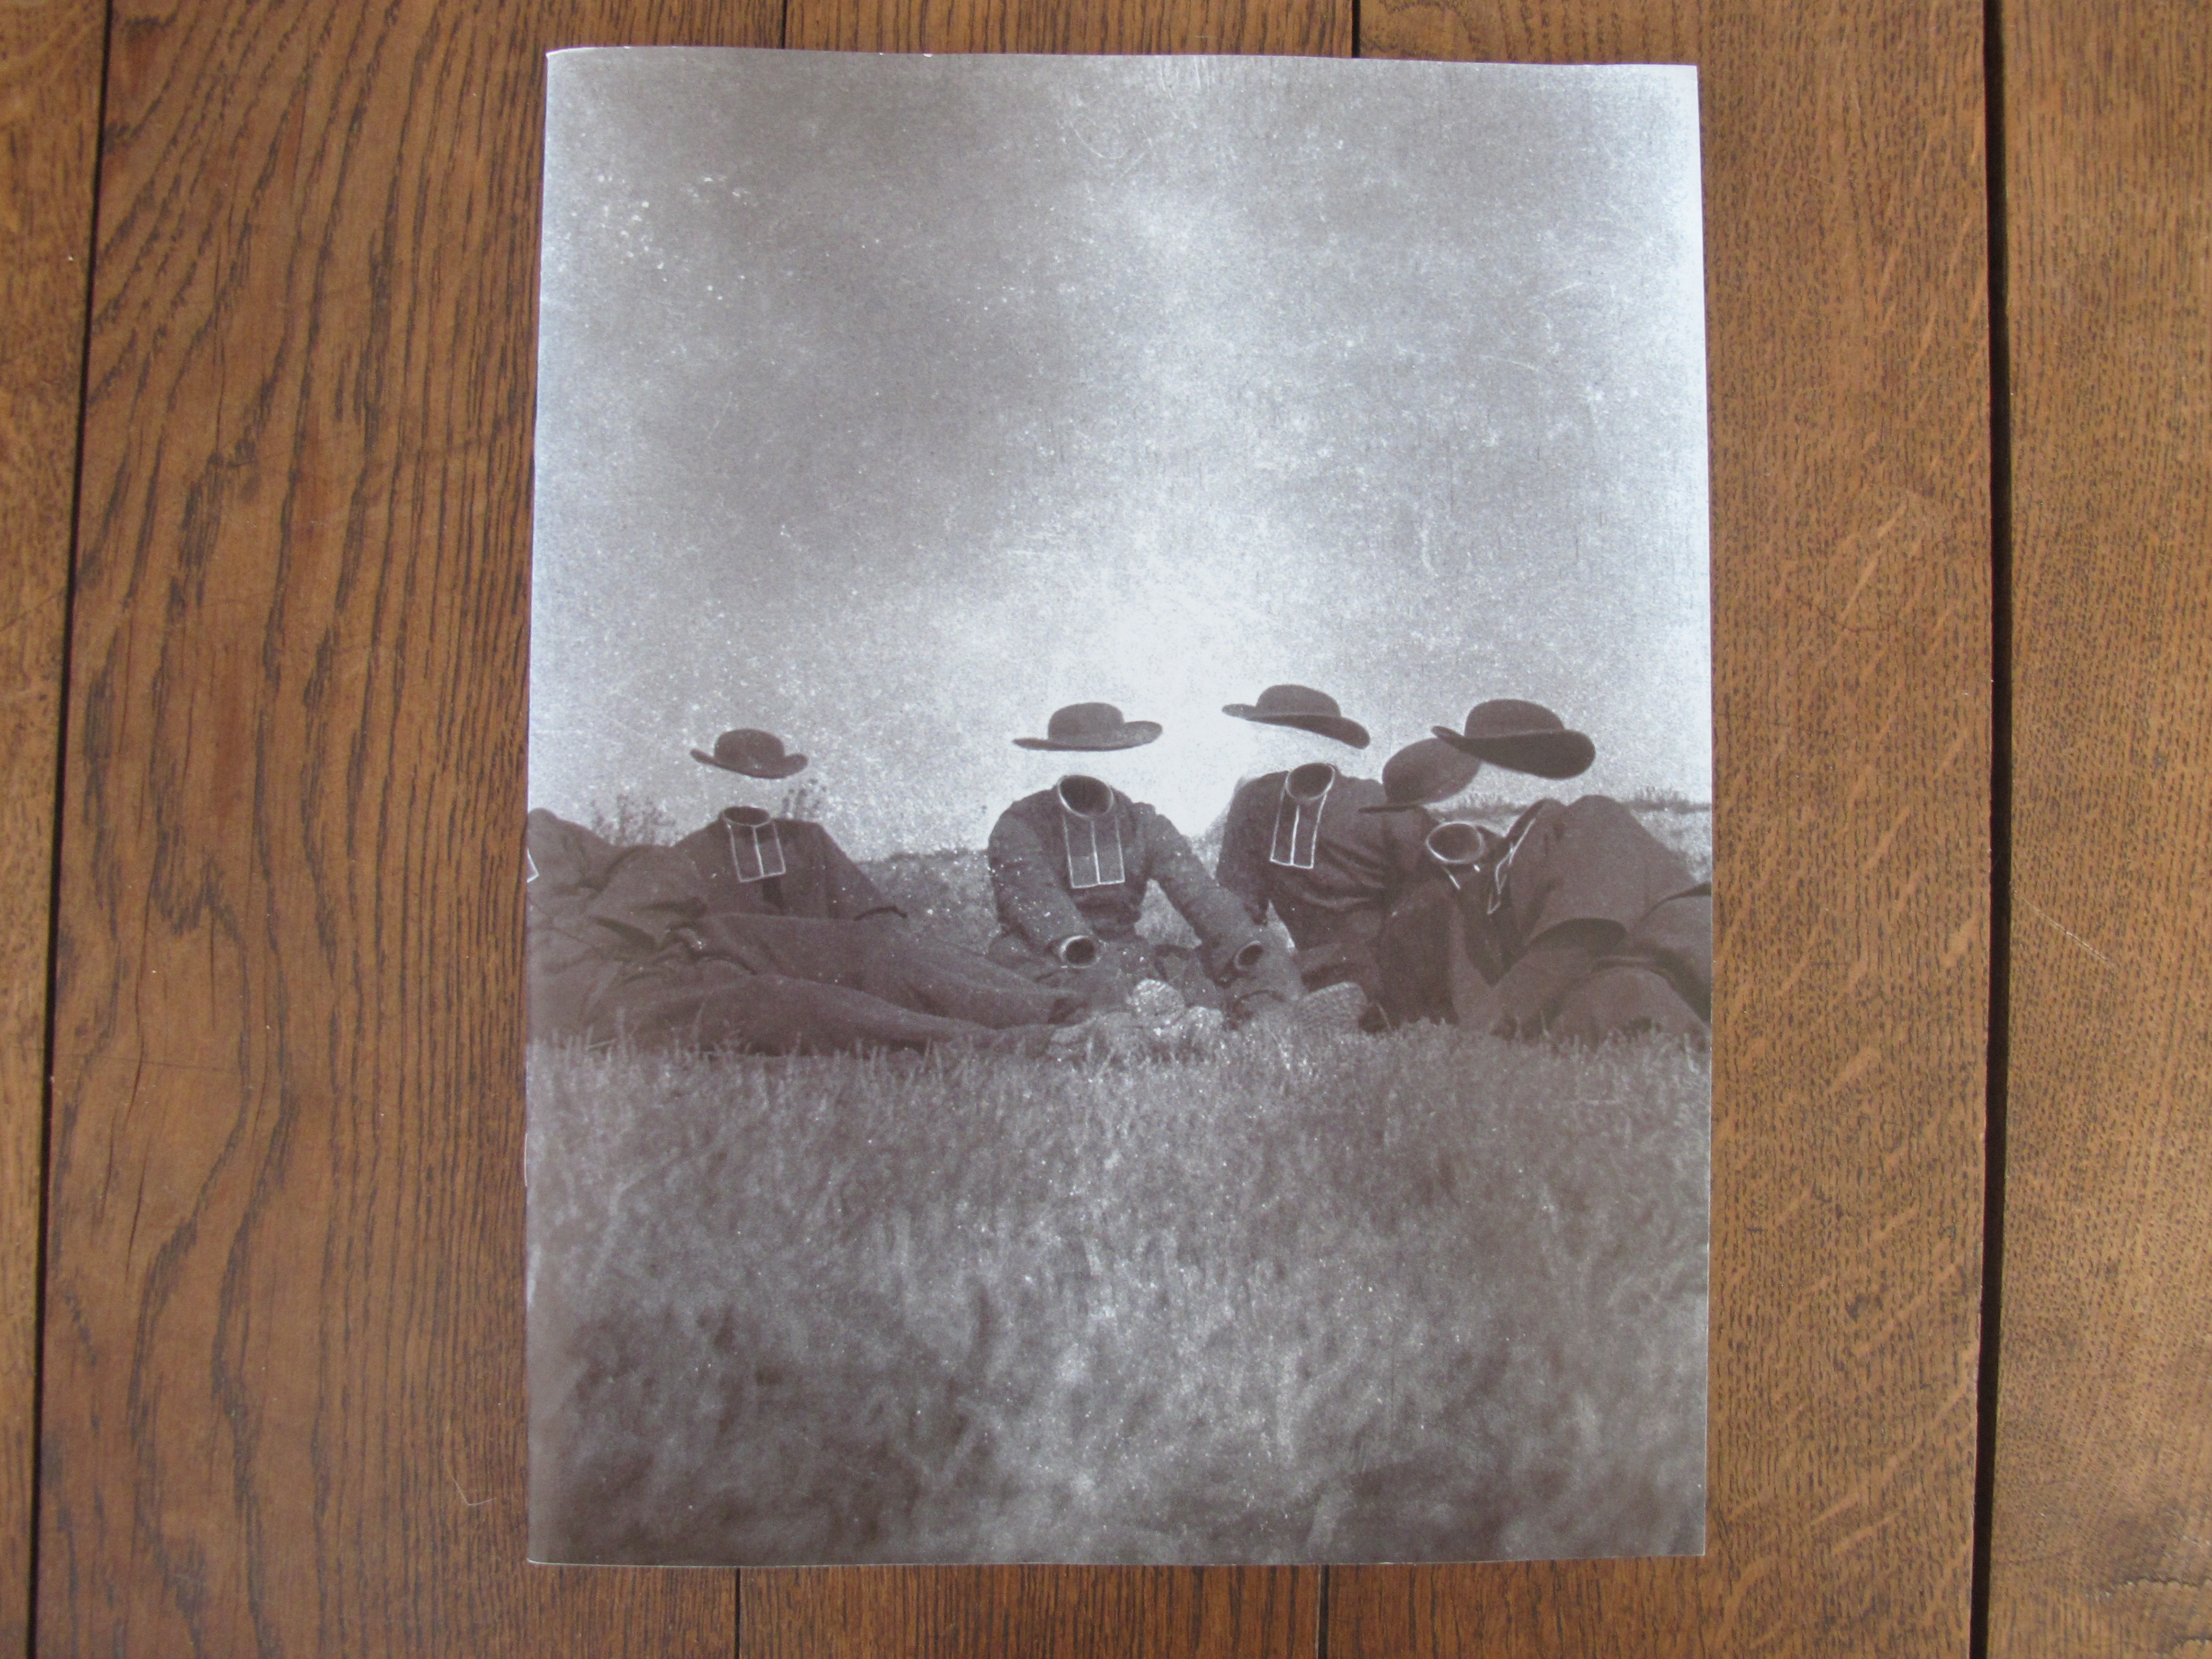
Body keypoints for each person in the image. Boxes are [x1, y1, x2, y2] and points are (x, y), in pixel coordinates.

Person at [526, 808, 1082, 1054]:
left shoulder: (539, 830)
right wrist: (576, 953)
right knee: (780, 1003)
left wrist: (611, 925)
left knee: (868, 947)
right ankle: (1029, 1046)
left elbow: (654, 864)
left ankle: (1065, 1010)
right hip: (598, 996)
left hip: (658, 934)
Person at [1376, 701, 1711, 1044]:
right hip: (1608, 1001)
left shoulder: (1593, 817)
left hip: (1678, 986)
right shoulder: (1490, 870)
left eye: (1483, 765)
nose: (1462, 785)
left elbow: (1575, 946)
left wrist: (1475, 1040)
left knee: (1614, 998)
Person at [986, 702, 1301, 1022]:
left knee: (1259, 952)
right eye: (1078, 757)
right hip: (1046, 957)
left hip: (1126, 955)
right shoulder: (1021, 824)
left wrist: (1241, 939)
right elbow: (1039, 900)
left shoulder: (1142, 822)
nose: (1091, 769)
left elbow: (1199, 893)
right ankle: (1127, 1029)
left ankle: (1265, 1024)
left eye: (1105, 755)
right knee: (1092, 991)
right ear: (1059, 761)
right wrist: (1084, 953)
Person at [1214, 686, 1476, 1019]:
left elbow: (1438, 898)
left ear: (1310, 745)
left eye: (1271, 734)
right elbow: (1238, 904)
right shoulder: (1255, 802)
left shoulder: (1378, 805)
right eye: (1261, 734)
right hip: (1324, 966)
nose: (1261, 743)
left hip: (1374, 965)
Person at [673, 728, 901, 922]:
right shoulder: (688, 854)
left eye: (764, 781)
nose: (749, 791)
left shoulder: (810, 841)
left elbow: (870, 913)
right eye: (737, 779)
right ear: (716, 781)